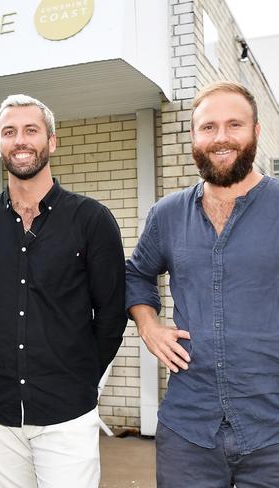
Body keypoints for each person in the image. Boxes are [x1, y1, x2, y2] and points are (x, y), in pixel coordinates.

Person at [0, 94, 127, 487]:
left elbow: (112, 316)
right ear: (0, 143)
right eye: (9, 132)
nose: (20, 140)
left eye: (31, 130)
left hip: (66, 411)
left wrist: (79, 377)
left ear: (51, 141)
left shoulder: (92, 220)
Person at [126, 81, 279, 487]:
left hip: (273, 429)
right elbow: (137, 273)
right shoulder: (167, 215)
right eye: (208, 127)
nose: (221, 138)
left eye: (234, 125)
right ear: (193, 137)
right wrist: (148, 324)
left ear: (256, 132)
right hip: (188, 431)